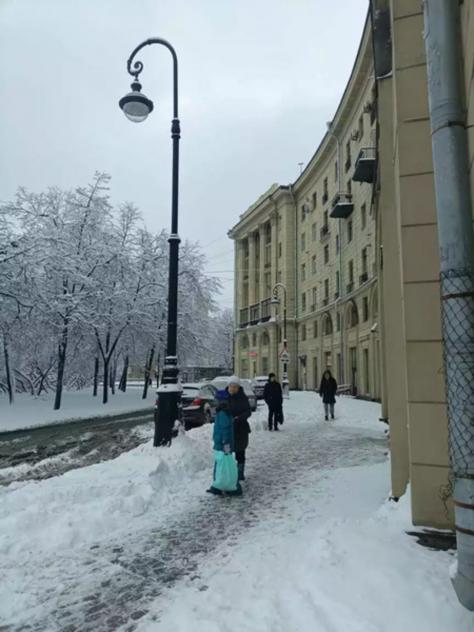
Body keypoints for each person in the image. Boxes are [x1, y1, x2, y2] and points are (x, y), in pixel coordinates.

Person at [207, 389, 242, 496]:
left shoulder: (222, 413)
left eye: (216, 399)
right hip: (222, 444)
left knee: (225, 465)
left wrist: (225, 444)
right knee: (223, 464)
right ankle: (218, 486)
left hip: (223, 444)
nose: (215, 401)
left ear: (220, 400)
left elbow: (225, 429)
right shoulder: (224, 411)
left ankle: (233, 487)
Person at [226, 375, 251, 481]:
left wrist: (238, 418)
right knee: (227, 453)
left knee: (240, 452)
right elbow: (219, 410)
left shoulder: (243, 398)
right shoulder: (224, 398)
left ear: (238, 387)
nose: (232, 388)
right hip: (227, 430)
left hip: (241, 430)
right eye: (231, 386)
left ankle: (240, 472)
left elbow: (248, 411)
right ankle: (228, 472)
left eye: (235, 386)